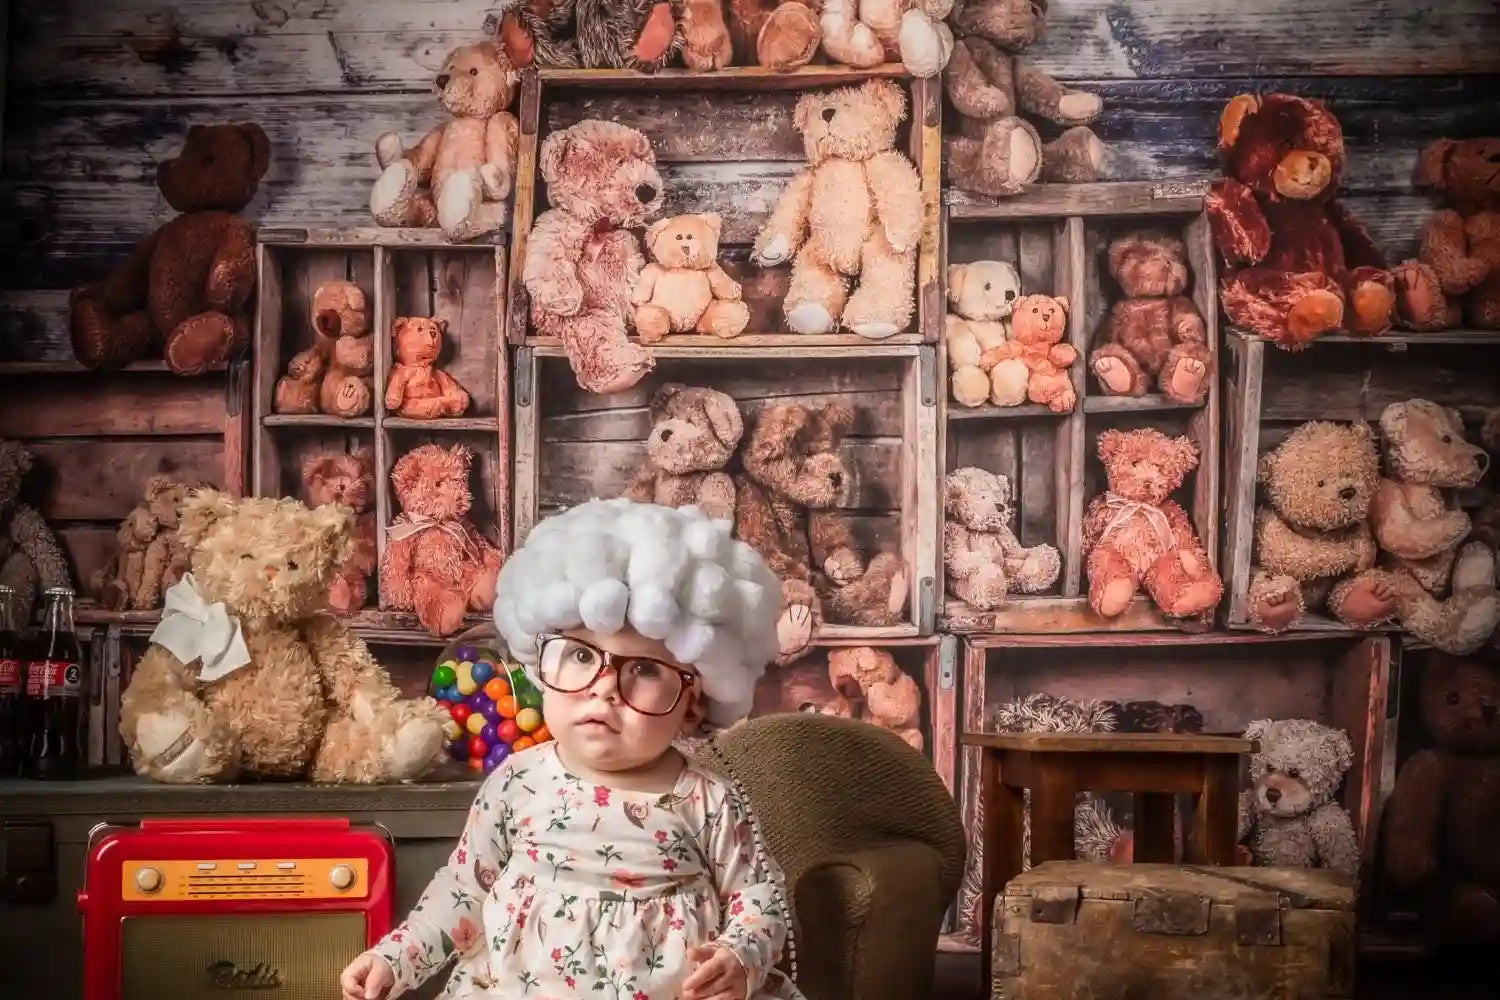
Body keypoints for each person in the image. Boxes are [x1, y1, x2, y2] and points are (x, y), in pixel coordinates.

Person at [340, 499, 803, 1000]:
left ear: (693, 702)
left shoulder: (706, 799)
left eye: (644, 669)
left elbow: (758, 898)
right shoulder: (519, 782)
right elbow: (464, 890)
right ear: (542, 667)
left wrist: (739, 956)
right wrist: (395, 958)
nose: (603, 686)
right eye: (580, 654)